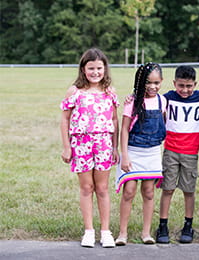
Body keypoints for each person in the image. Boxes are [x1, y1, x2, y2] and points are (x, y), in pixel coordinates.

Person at [60, 48, 118, 248]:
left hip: (103, 144)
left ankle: (105, 231)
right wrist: (67, 147)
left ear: (105, 69)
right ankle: (89, 231)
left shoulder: (109, 92)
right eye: (91, 68)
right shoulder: (75, 91)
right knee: (87, 188)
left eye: (99, 68)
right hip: (81, 144)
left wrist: (115, 148)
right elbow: (64, 119)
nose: (95, 72)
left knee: (102, 188)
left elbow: (115, 121)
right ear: (83, 69)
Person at [114, 62, 166, 246]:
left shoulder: (162, 101)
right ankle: (122, 233)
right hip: (133, 152)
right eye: (148, 83)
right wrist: (124, 155)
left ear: (161, 82)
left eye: (156, 83)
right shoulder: (133, 102)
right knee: (129, 191)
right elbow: (125, 130)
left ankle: (146, 233)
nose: (152, 87)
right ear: (140, 82)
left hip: (152, 153)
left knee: (149, 192)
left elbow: (163, 124)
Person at [155, 65, 199, 244]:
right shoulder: (166, 98)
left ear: (195, 84)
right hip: (171, 151)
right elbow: (149, 98)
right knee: (167, 189)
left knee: (188, 190)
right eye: (181, 86)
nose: (185, 90)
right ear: (174, 83)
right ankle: (163, 225)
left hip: (191, 153)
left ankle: (188, 225)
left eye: (189, 86)